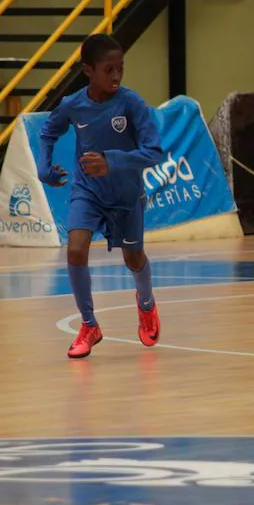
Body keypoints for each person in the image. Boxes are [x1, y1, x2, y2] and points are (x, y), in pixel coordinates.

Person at [38, 34, 164, 359]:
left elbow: (154, 152)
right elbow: (48, 132)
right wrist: (44, 168)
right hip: (88, 191)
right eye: (108, 70)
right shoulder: (72, 105)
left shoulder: (132, 104)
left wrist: (111, 161)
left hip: (126, 195)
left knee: (134, 259)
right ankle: (89, 325)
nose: (116, 76)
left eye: (120, 68)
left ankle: (146, 305)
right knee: (76, 250)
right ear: (88, 71)